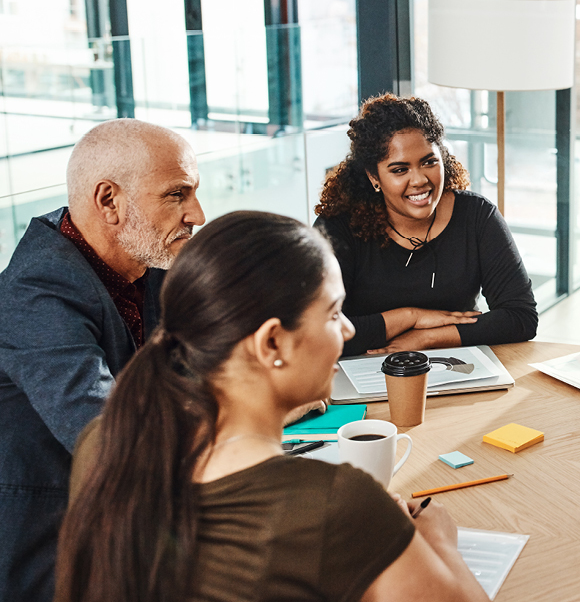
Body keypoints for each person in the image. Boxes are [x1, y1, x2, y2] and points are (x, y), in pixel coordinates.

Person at [56, 211, 490, 602]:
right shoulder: (337, 504)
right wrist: (439, 542)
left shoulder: (104, 442)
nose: (348, 329)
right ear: (272, 343)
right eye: (333, 313)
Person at [0, 119, 205, 602]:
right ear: (109, 201)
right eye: (176, 195)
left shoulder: (149, 260)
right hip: (53, 551)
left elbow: (203, 364)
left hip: (137, 525)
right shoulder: (35, 294)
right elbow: (110, 434)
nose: (197, 214)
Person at [314, 94, 537, 357]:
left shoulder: (477, 215)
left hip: (457, 365)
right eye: (400, 170)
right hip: (361, 368)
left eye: (429, 162)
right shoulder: (337, 228)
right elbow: (317, 331)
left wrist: (427, 338)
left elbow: (520, 317)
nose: (420, 180)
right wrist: (411, 317)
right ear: (374, 177)